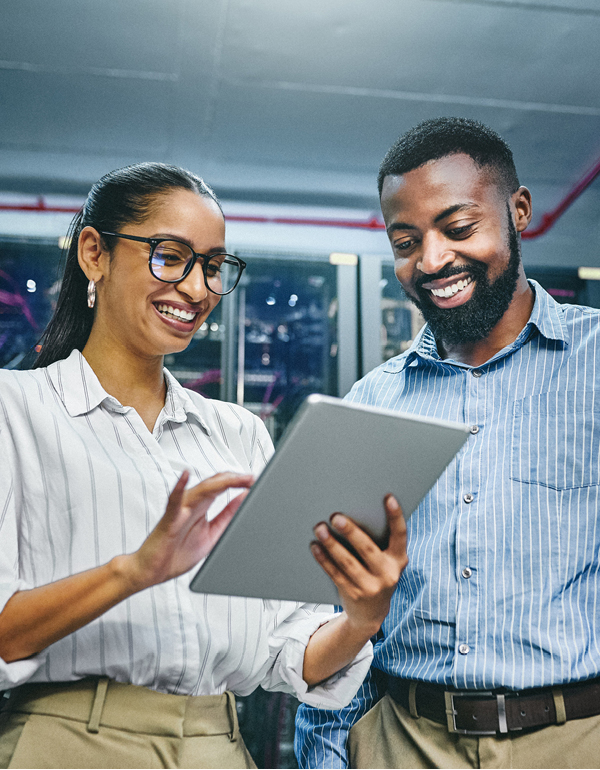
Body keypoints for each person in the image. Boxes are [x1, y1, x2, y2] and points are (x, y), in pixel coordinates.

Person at [0, 162, 409, 769]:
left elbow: (285, 649)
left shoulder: (238, 434)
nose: (196, 289)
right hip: (68, 743)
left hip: (218, 747)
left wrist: (361, 616)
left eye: (214, 267)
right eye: (171, 257)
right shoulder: (15, 411)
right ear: (95, 252)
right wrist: (133, 571)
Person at [295, 117, 600, 769]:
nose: (432, 261)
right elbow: (339, 613)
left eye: (458, 229)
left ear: (518, 211)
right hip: (402, 742)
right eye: (406, 242)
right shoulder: (371, 403)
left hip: (575, 742)